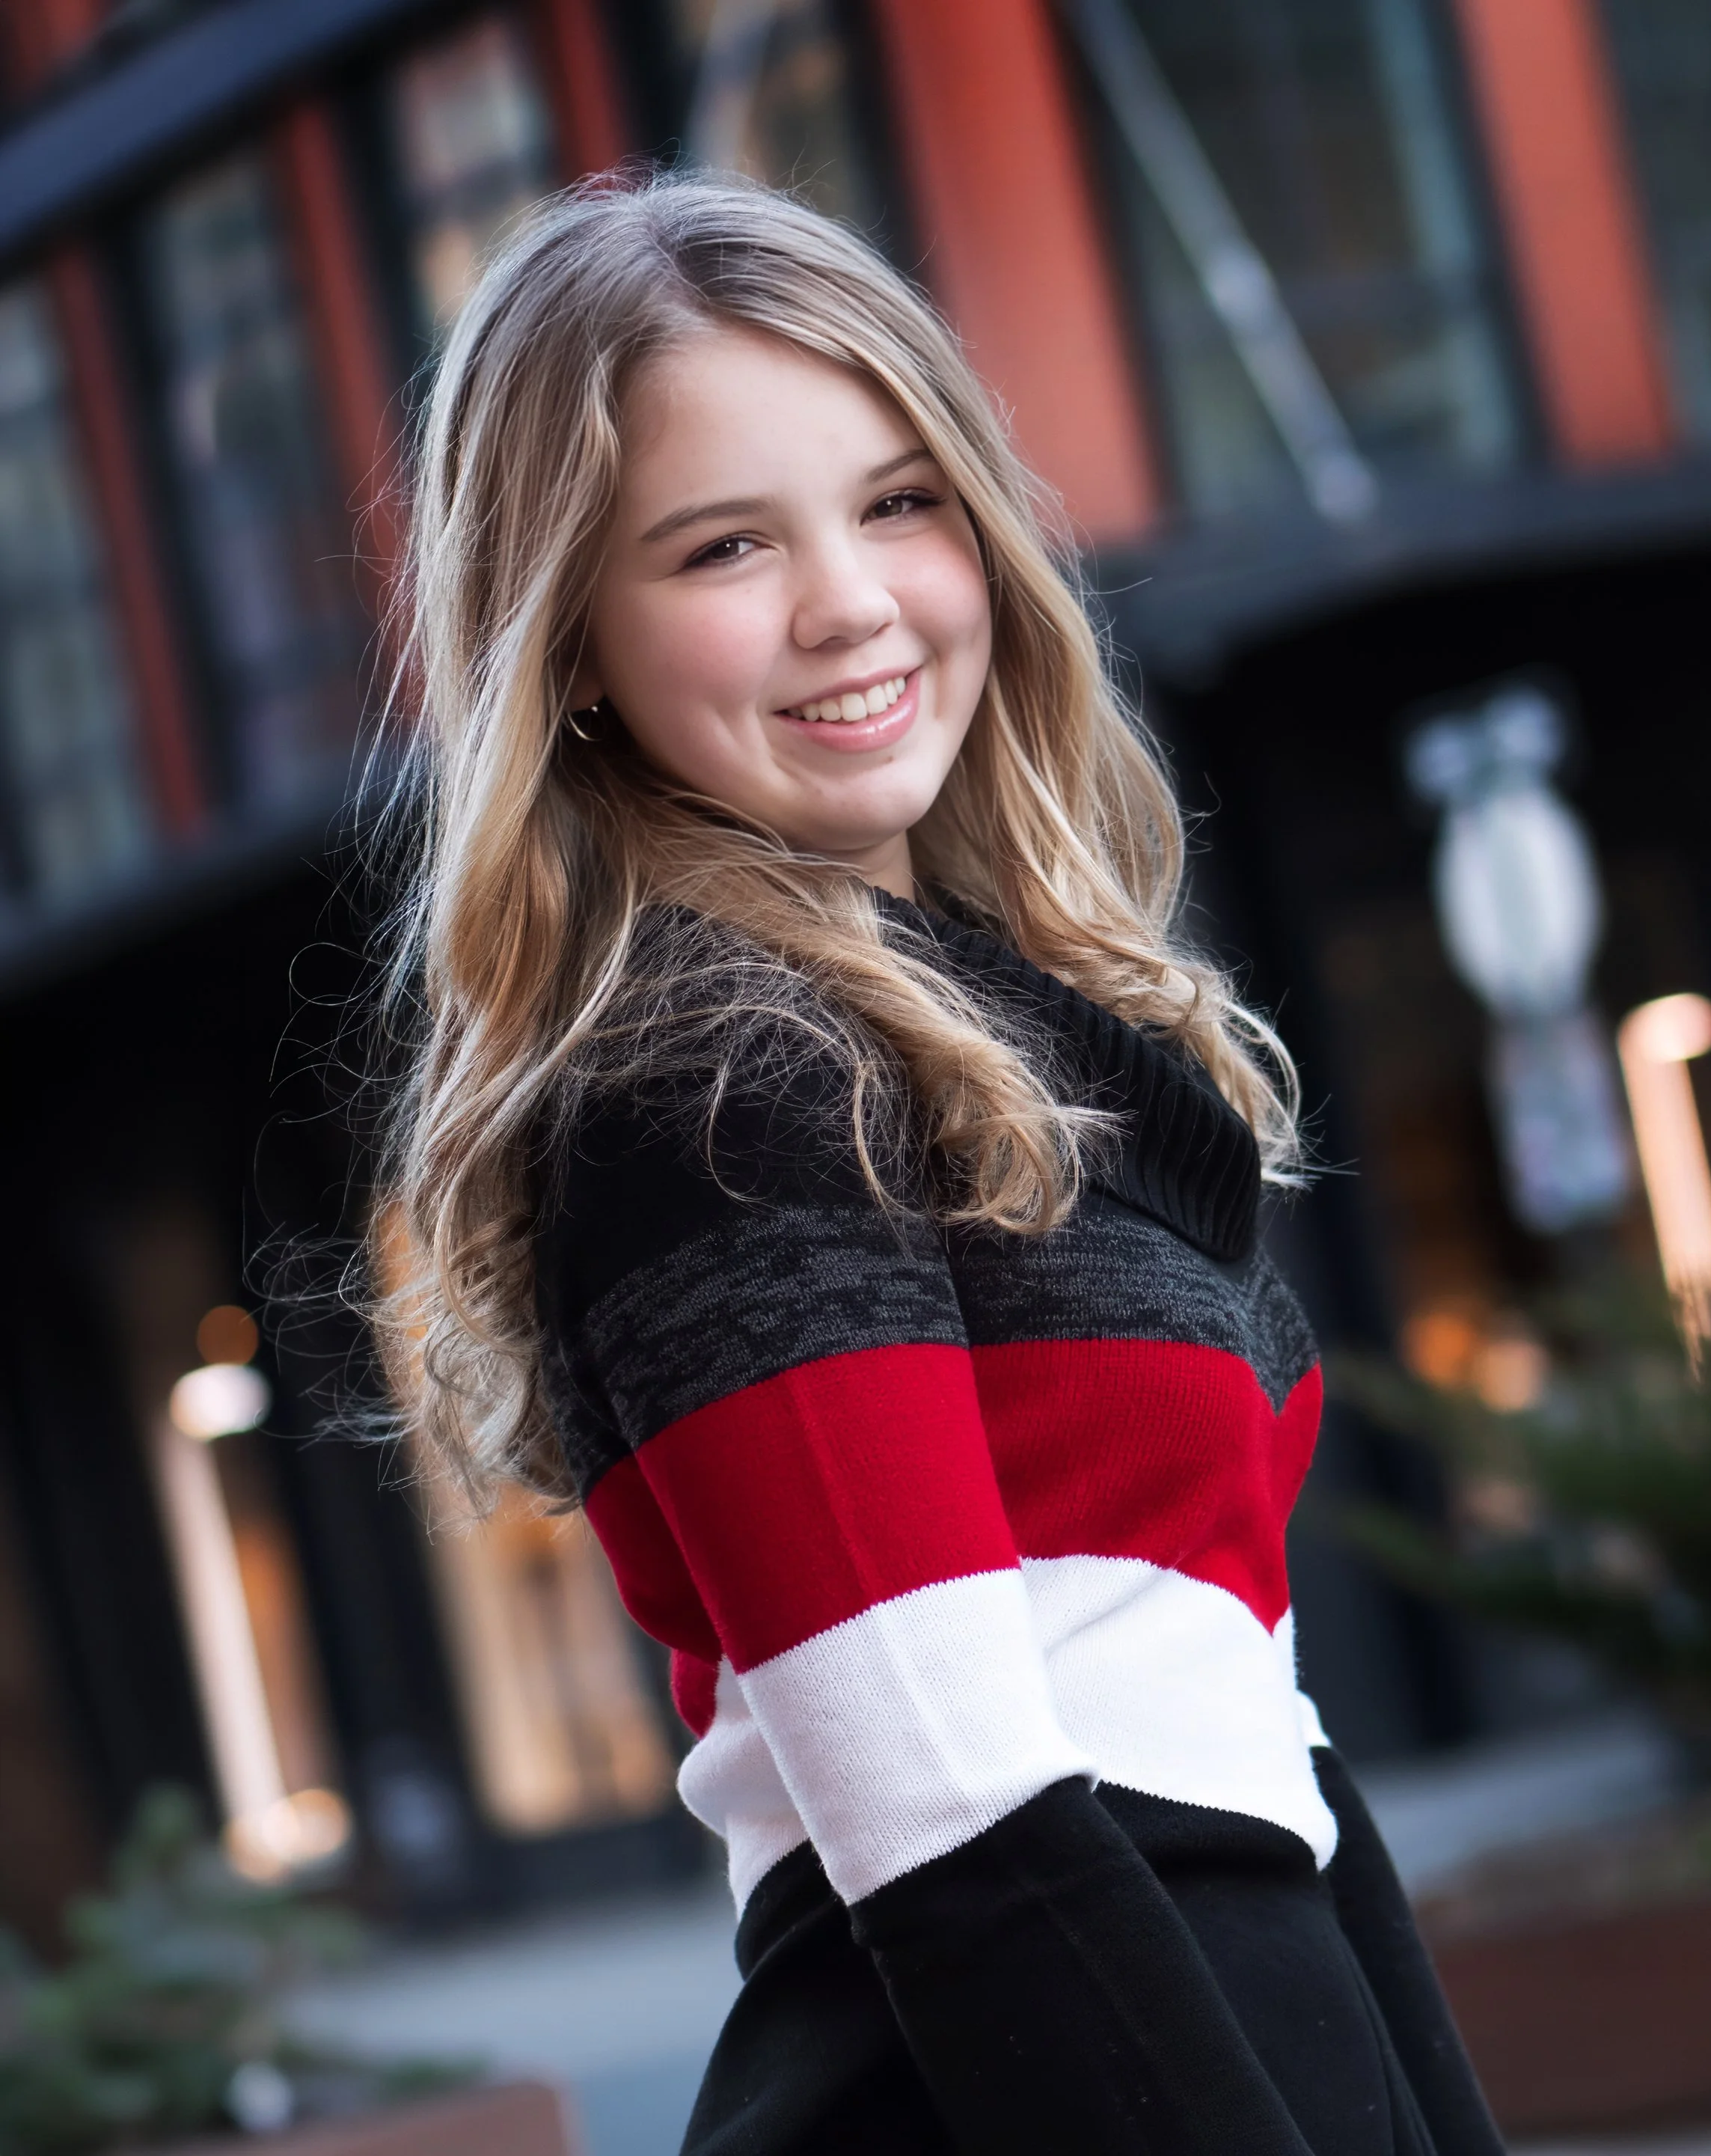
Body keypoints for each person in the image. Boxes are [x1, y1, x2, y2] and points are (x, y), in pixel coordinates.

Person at [370, 170, 1502, 2156]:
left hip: (1225, 2034)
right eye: (725, 546)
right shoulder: (721, 1086)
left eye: (900, 499)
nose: (854, 601)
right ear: (567, 643)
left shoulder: (1031, 1037)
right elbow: (958, 1840)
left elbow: (1271, 1756)